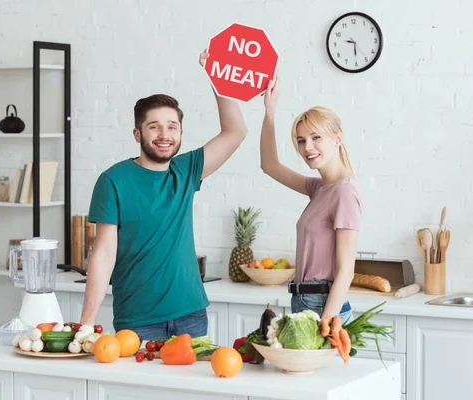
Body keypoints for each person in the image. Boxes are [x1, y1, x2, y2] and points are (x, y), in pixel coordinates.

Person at [80, 50, 247, 340]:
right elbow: (104, 252)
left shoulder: (186, 171)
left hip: (192, 317)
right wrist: (86, 323)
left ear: (181, 132)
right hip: (138, 321)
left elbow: (236, 131)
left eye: (172, 127)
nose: (164, 134)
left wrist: (216, 77)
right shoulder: (113, 181)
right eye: (154, 127)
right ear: (137, 134)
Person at [260, 74, 362, 323]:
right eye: (301, 140)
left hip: (323, 306)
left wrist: (326, 321)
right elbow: (269, 165)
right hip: (304, 301)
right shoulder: (320, 188)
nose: (307, 148)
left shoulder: (344, 192)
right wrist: (270, 112)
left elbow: (346, 271)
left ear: (337, 139)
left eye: (316, 137)